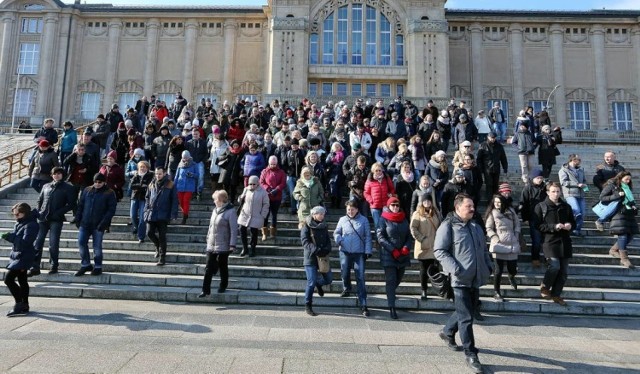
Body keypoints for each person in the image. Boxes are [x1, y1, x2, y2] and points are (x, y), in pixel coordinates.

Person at [434, 193, 492, 373]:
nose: (473, 209)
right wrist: (455, 269)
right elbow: (439, 250)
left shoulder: (475, 227)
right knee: (467, 317)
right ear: (457, 208)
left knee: (465, 311)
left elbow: (483, 250)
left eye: (473, 205)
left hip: (475, 278)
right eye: (469, 206)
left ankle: (448, 332)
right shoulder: (448, 226)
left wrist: (488, 266)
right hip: (459, 280)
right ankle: (471, 354)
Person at [535, 182, 575, 306]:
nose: (556, 194)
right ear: (547, 192)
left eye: (558, 191)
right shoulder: (541, 206)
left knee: (564, 272)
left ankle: (556, 294)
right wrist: (554, 227)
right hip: (550, 241)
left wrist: (570, 226)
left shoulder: (566, 206)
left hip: (565, 242)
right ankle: (545, 286)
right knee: (554, 266)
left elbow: (573, 222)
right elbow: (538, 225)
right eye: (553, 191)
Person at [31, 167, 76, 276]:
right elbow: (40, 200)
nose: (57, 175)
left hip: (56, 219)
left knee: (53, 243)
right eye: (55, 173)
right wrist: (39, 211)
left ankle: (53, 265)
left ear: (62, 175)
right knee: (38, 242)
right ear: (51, 175)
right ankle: (35, 267)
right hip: (43, 219)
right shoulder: (46, 186)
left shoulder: (68, 188)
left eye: (59, 173)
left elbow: (71, 204)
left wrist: (59, 212)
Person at [73, 173, 117, 276]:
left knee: (97, 247)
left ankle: (98, 266)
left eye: (99, 182)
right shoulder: (87, 190)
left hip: (98, 224)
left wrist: (104, 223)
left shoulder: (109, 193)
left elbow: (111, 210)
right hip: (85, 223)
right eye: (95, 182)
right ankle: (85, 264)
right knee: (81, 242)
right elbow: (81, 205)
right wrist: (77, 219)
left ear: (104, 182)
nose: (97, 184)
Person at [333, 199, 372, 316]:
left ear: (357, 210)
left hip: (359, 252)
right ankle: (347, 287)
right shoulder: (342, 220)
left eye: (353, 209)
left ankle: (363, 303)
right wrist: (339, 240)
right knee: (345, 272)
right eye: (348, 209)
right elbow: (336, 232)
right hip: (345, 251)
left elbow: (368, 236)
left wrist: (368, 251)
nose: (350, 211)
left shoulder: (364, 220)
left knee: (360, 276)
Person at [376, 197, 413, 320]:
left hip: (402, 254)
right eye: (393, 205)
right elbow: (381, 237)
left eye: (397, 205)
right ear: (389, 206)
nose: (395, 207)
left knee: (398, 278)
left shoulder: (403, 218)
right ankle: (392, 307)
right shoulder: (383, 219)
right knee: (391, 280)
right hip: (389, 254)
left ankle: (390, 293)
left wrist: (406, 247)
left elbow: (409, 236)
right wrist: (392, 250)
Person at [1, 203, 38, 316]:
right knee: (22, 280)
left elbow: (25, 242)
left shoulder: (31, 224)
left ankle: (19, 304)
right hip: (18, 255)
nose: (15, 216)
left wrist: (10, 237)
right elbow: (18, 237)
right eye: (14, 214)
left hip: (24, 256)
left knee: (8, 279)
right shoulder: (20, 223)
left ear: (25, 213)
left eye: (18, 214)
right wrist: (9, 235)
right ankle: (25, 305)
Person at [200, 190, 238, 297]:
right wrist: (208, 237)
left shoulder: (230, 211)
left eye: (215, 199)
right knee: (208, 267)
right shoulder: (215, 210)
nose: (214, 202)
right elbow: (211, 226)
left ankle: (223, 285)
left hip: (223, 243)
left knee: (222, 265)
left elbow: (234, 229)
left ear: (221, 200)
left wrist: (232, 244)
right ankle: (205, 290)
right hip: (211, 243)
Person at [485, 194, 520, 302]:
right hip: (499, 243)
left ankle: (511, 276)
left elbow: (517, 224)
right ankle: (496, 292)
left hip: (512, 240)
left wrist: (516, 235)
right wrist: (494, 237)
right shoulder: (492, 213)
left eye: (499, 202)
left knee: (512, 268)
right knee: (498, 270)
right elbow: (488, 227)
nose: (497, 204)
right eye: (495, 202)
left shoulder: (511, 211)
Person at [599, 171, 638, 268]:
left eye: (629, 180)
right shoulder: (611, 185)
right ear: (620, 178)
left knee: (631, 235)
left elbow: (629, 200)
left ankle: (613, 250)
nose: (628, 181)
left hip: (628, 213)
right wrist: (617, 195)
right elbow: (602, 197)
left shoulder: (627, 187)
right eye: (626, 179)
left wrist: (633, 206)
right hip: (617, 213)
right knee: (623, 235)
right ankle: (624, 259)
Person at [300, 206, 333, 316]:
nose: (322, 216)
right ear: (314, 214)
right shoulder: (306, 226)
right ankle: (308, 304)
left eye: (323, 214)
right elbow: (305, 242)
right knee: (311, 282)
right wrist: (316, 250)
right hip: (311, 257)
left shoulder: (324, 225)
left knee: (328, 279)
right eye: (320, 214)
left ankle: (319, 284)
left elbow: (328, 240)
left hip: (323, 257)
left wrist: (327, 249)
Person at [410, 192, 441, 301]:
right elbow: (413, 228)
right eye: (424, 201)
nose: (427, 203)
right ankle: (424, 290)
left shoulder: (436, 213)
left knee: (432, 268)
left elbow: (440, 227)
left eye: (428, 201)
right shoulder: (417, 213)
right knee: (423, 269)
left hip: (434, 245)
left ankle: (437, 289)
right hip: (423, 246)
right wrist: (422, 238)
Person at [144, 167, 179, 265]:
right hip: (152, 213)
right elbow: (147, 197)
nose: (157, 176)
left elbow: (174, 200)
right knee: (149, 232)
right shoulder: (151, 184)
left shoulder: (170, 184)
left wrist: (173, 214)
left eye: (159, 174)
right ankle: (157, 245)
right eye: (156, 174)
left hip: (164, 214)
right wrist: (146, 210)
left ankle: (162, 257)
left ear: (164, 174)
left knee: (162, 236)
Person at [518, 169, 547, 267]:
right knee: (536, 240)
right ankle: (535, 258)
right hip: (533, 217)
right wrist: (525, 218)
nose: (539, 180)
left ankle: (548, 258)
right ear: (533, 178)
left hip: (546, 218)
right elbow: (523, 203)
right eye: (538, 178)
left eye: (541, 178)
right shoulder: (527, 189)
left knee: (547, 240)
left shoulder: (546, 188)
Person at [237, 175, 270, 257]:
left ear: (258, 184)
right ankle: (244, 248)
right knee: (241, 229)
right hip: (245, 213)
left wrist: (263, 214)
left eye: (254, 184)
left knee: (253, 232)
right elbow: (240, 200)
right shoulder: (246, 189)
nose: (252, 186)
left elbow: (266, 204)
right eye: (250, 184)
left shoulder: (263, 192)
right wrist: (240, 198)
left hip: (256, 214)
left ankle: (252, 248)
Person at [558, 154, 587, 236]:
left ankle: (577, 230)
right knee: (576, 211)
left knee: (582, 213)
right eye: (578, 159)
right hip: (570, 194)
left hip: (581, 194)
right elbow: (563, 182)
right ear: (573, 160)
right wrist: (577, 184)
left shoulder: (581, 170)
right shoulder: (563, 170)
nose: (579, 161)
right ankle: (570, 226)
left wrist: (584, 184)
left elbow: (584, 180)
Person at [259, 156, 287, 241]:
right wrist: (268, 188)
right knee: (265, 215)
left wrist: (277, 189)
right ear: (269, 163)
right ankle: (264, 233)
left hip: (277, 196)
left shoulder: (281, 172)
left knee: (274, 215)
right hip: (266, 196)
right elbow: (261, 182)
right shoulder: (265, 171)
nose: (273, 166)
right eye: (271, 164)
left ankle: (272, 233)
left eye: (274, 164)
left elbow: (283, 183)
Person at [476, 131, 508, 200]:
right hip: (487, 169)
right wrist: (480, 169)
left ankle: (495, 200)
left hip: (496, 168)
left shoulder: (499, 146)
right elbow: (479, 159)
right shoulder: (483, 145)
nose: (493, 139)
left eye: (494, 138)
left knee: (495, 185)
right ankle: (489, 201)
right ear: (488, 137)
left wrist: (505, 168)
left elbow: (503, 157)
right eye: (491, 138)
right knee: (489, 185)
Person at [364, 162, 395, 229]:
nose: (378, 172)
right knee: (377, 224)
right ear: (373, 171)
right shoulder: (370, 180)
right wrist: (371, 200)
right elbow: (366, 193)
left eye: (379, 170)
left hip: (385, 205)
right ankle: (378, 239)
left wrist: (391, 194)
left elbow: (392, 188)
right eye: (376, 170)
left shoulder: (386, 178)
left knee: (386, 224)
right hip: (375, 206)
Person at [129, 161, 153, 243]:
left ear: (147, 168)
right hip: (135, 197)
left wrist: (139, 186)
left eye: (144, 167)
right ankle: (136, 227)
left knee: (142, 218)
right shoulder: (136, 175)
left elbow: (148, 187)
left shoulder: (150, 175)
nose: (142, 168)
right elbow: (131, 186)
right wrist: (141, 186)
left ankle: (141, 236)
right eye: (141, 167)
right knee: (133, 215)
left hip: (144, 198)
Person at [175, 150, 199, 225]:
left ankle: (184, 217)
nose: (185, 159)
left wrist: (191, 174)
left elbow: (197, 175)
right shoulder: (179, 165)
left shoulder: (194, 164)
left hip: (189, 186)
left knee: (186, 200)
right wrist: (174, 186)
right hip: (180, 186)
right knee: (181, 201)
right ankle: (185, 213)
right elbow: (176, 176)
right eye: (183, 158)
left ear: (189, 157)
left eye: (186, 157)